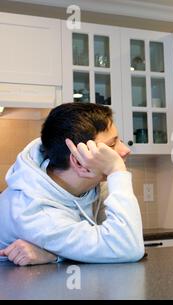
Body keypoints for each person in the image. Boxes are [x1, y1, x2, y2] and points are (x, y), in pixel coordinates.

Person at [0, 102, 145, 266]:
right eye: (112, 145)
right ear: (79, 161)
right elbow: (127, 247)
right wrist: (117, 170)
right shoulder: (36, 213)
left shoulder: (92, 184)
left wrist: (55, 255)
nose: (125, 150)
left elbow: (124, 238)